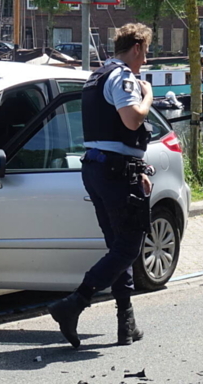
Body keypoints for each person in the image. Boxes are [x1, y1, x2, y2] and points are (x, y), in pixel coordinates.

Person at [47, 23, 154, 348]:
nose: (145, 59)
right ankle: (75, 303)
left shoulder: (96, 76)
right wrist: (148, 94)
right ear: (136, 47)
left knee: (117, 249)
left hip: (99, 167)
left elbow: (111, 134)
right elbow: (132, 119)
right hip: (115, 173)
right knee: (127, 248)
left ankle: (126, 322)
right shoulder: (123, 77)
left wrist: (137, 165)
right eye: (145, 52)